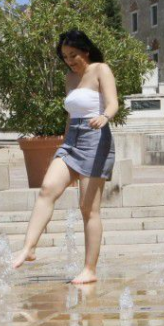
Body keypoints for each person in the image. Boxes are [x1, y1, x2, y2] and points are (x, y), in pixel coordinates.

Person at [12, 30, 118, 285]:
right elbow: (71, 114)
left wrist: (105, 116)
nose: (70, 61)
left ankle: (89, 269)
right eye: (65, 57)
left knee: (88, 208)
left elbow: (113, 103)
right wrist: (65, 142)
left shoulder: (101, 69)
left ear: (86, 50)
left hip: (96, 138)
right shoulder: (70, 78)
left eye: (73, 55)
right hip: (72, 140)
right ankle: (29, 247)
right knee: (47, 188)